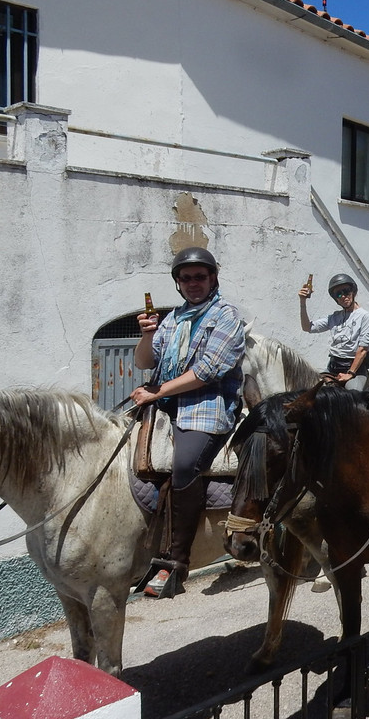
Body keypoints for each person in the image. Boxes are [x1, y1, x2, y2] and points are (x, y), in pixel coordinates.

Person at [131, 247, 245, 598]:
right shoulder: (173, 319)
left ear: (213, 278)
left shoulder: (227, 316)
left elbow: (208, 370)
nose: (193, 283)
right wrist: (148, 334)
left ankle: (177, 561)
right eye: (186, 278)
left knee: (184, 464)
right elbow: (142, 362)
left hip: (207, 405)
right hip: (165, 401)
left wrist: (158, 390)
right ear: (178, 283)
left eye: (200, 276)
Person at [299, 272, 369, 391]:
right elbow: (307, 327)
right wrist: (302, 302)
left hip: (354, 369)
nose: (343, 296)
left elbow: (363, 349)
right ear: (336, 299)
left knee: (352, 396)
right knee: (310, 393)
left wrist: (350, 373)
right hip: (333, 367)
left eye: (346, 291)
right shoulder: (334, 317)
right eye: (338, 294)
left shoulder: (364, 316)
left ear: (353, 291)